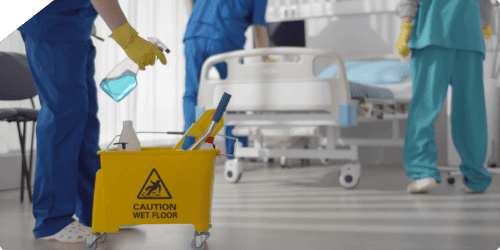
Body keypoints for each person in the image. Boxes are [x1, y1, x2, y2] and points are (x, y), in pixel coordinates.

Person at [17, 0, 166, 242]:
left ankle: (96, 212)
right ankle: (52, 220)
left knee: (84, 118)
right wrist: (129, 39)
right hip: (51, 21)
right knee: (63, 117)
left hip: (74, 24)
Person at [396, 0, 493, 194]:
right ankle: (476, 177)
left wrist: (406, 25)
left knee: (425, 108)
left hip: (432, 32)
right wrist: (485, 23)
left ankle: (423, 173)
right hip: (469, 36)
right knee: (470, 112)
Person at [183, 0, 271, 157]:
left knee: (192, 94)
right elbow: (260, 32)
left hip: (194, 34)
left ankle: (188, 150)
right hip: (225, 39)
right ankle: (236, 152)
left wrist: (195, 17)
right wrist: (268, 62)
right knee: (234, 96)